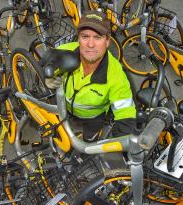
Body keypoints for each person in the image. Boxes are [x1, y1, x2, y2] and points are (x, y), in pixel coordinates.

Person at [45, 10, 136, 142]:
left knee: (89, 142)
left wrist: (127, 145)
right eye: (85, 37)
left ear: (107, 41)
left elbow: (126, 114)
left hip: (93, 119)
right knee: (59, 135)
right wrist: (47, 79)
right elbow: (43, 63)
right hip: (62, 108)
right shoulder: (64, 51)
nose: (90, 44)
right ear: (79, 38)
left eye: (98, 37)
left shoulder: (116, 75)